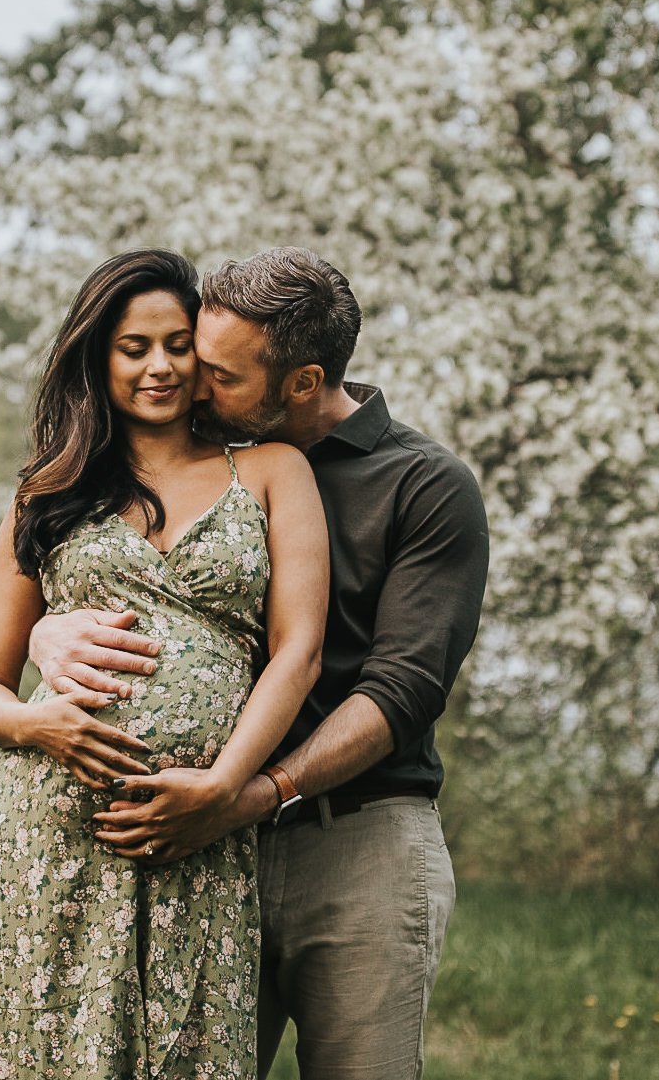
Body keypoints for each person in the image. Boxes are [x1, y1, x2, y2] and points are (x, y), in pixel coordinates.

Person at [32, 247, 490, 1080]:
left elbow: (404, 690)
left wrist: (250, 794)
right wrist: (45, 634)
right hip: (196, 851)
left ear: (303, 382)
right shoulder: (193, 449)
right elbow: (90, 560)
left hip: (353, 842)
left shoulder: (423, 487)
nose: (194, 386)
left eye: (220, 375)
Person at [0, 249, 330, 1080]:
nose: (158, 365)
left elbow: (297, 651)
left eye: (177, 343)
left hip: (192, 835)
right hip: (48, 835)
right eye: (132, 346)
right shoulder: (46, 492)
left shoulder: (268, 471)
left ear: (204, 360)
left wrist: (225, 786)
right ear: (99, 357)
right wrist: (35, 723)